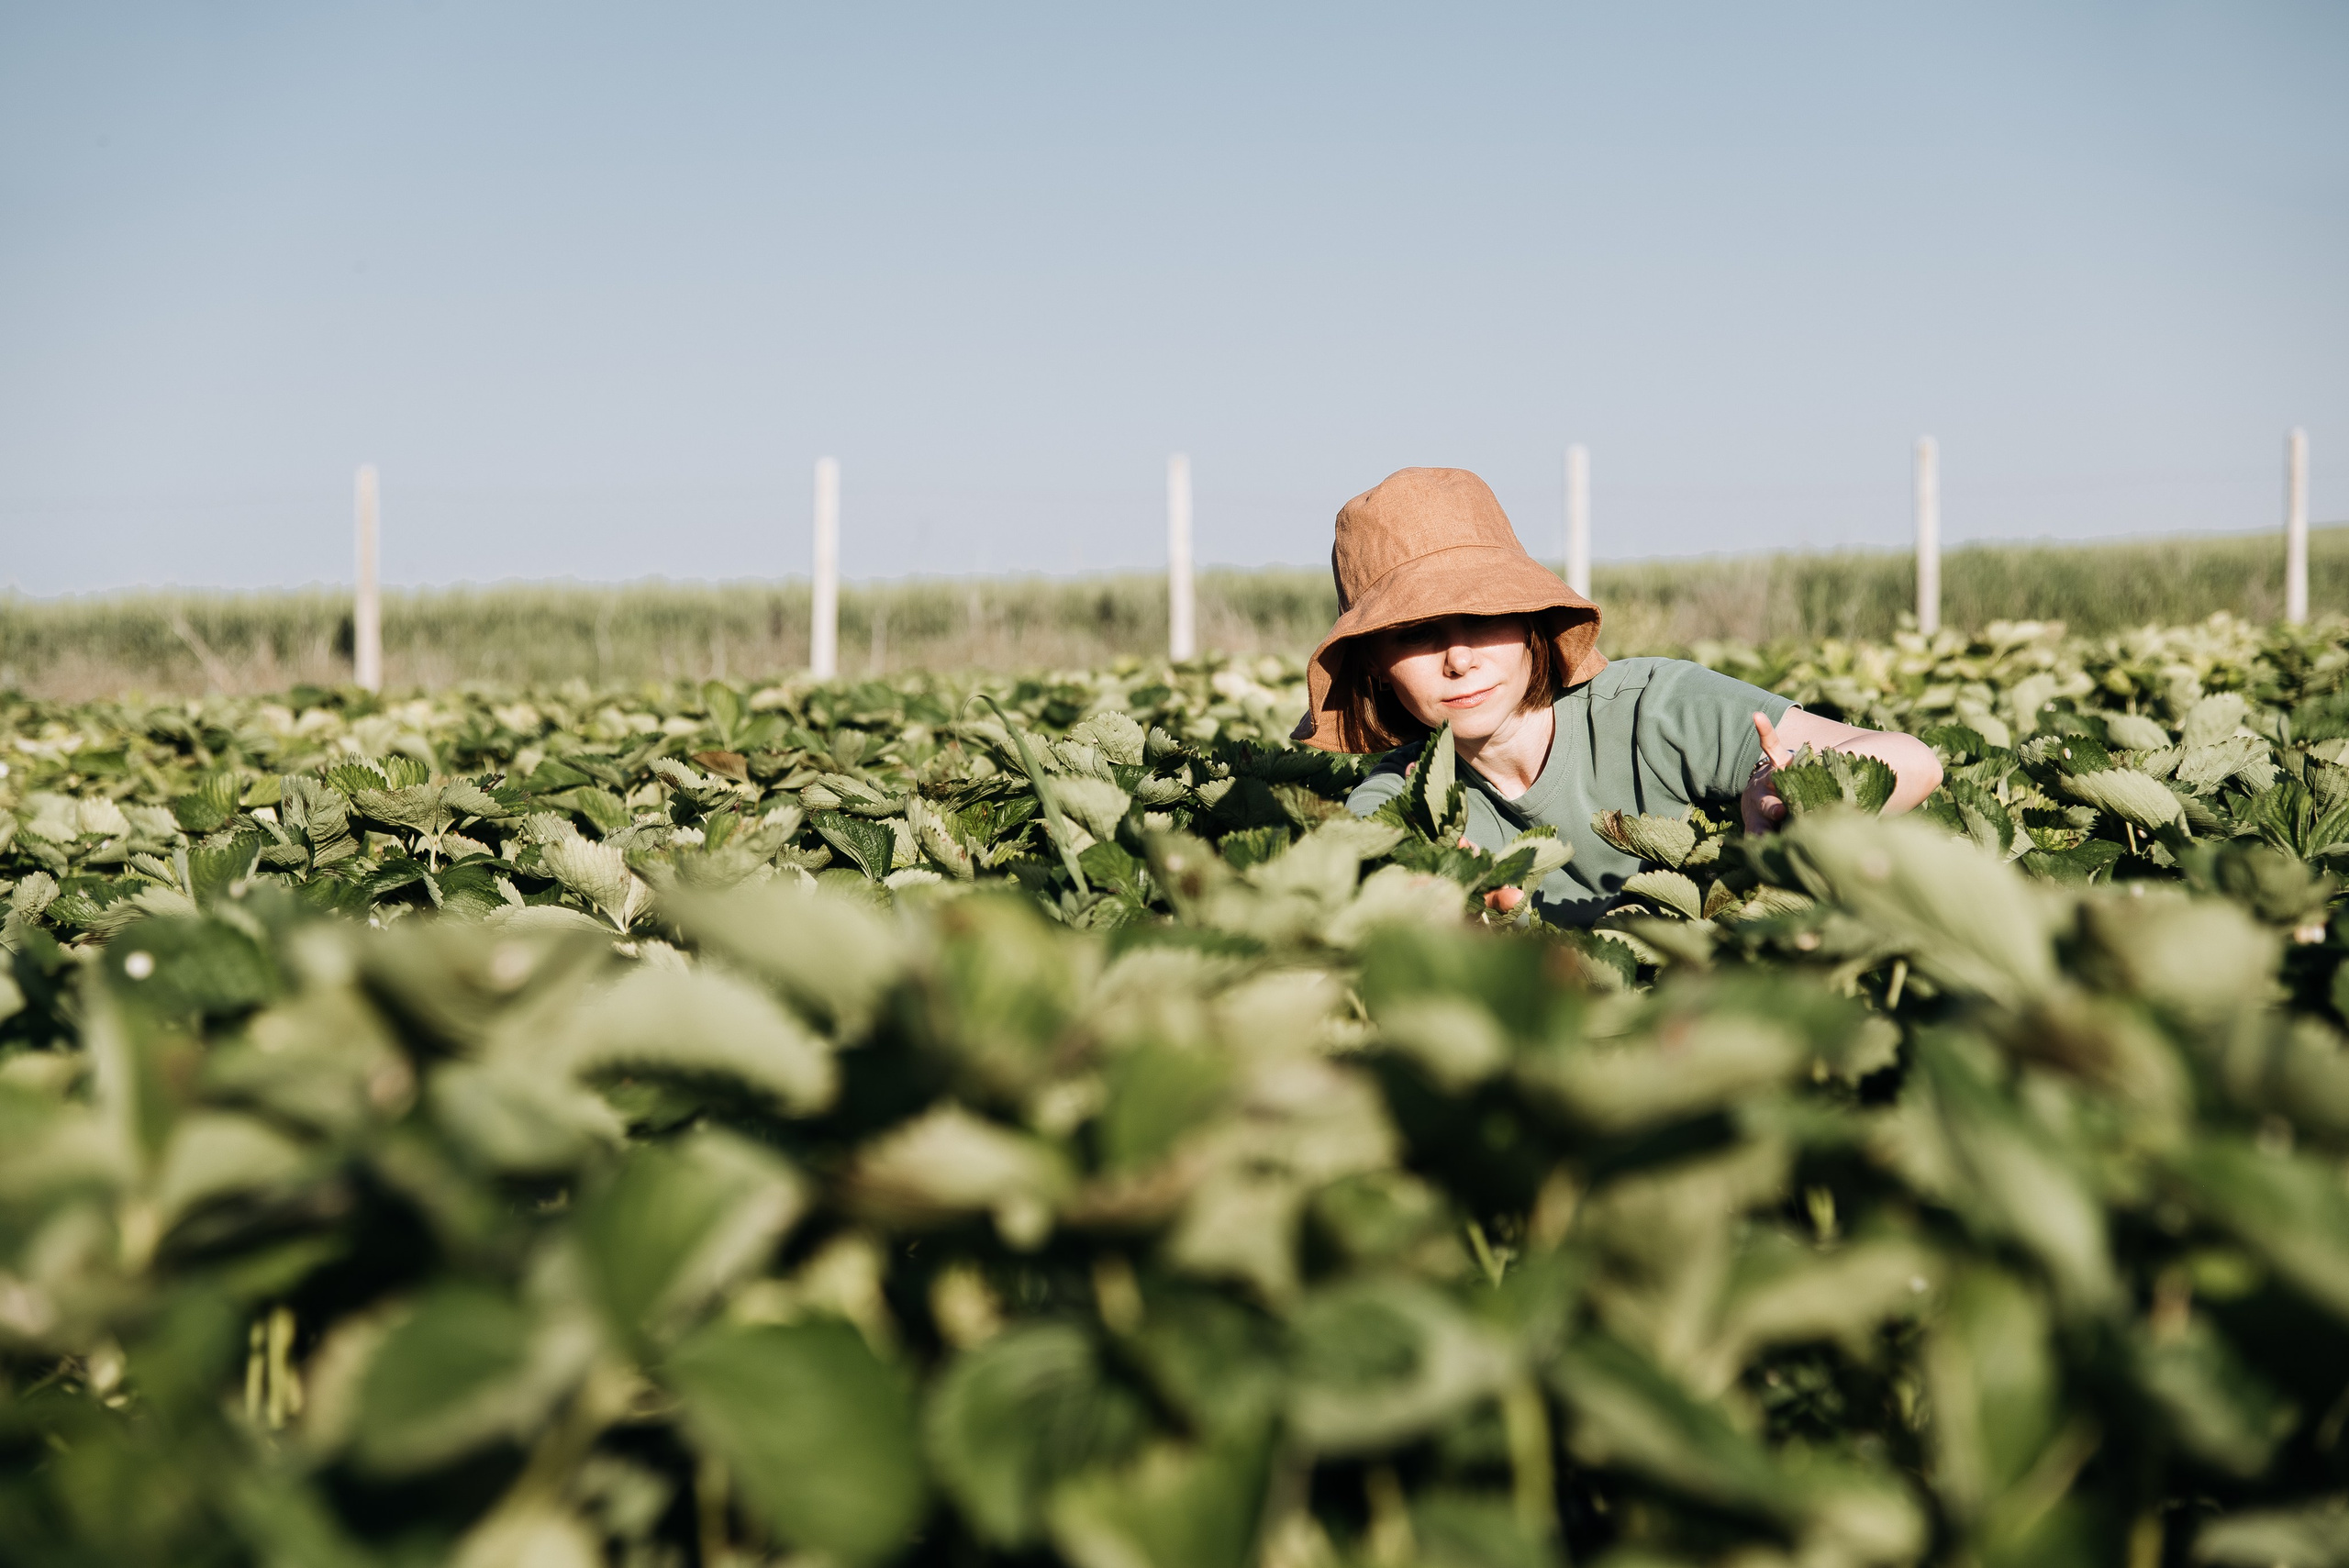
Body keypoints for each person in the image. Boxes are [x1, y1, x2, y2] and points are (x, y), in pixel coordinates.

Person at [1291, 467, 1943, 924]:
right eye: (1416, 634)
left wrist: (1788, 795)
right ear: (1373, 662)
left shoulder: (1651, 711)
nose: (1459, 658)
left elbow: (1915, 762)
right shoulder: (1400, 801)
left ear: (1527, 620)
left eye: (1481, 614)